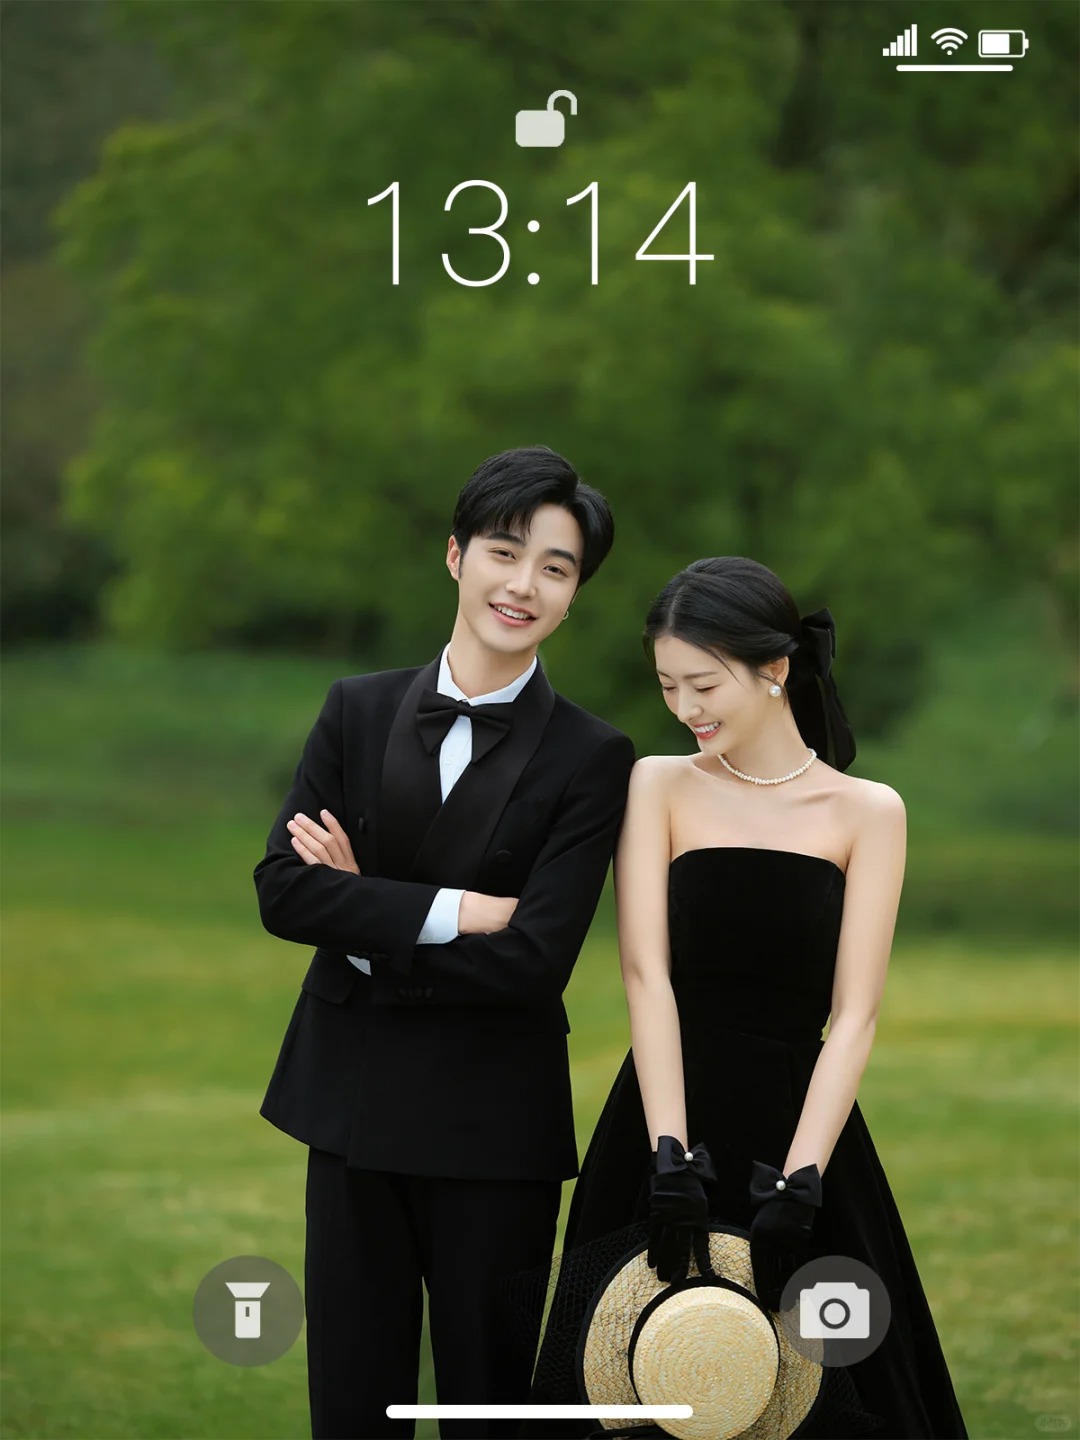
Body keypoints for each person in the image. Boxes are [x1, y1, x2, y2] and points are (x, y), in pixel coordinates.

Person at [523, 556, 968, 1439]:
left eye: (703, 684)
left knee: (824, 1393)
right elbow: (646, 976)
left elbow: (856, 1014)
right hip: (662, 1125)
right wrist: (669, 1154)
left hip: (800, 1132)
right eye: (668, 687)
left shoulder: (869, 811)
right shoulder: (657, 783)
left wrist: (801, 1181)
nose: (685, 708)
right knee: (627, 1380)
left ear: (775, 669)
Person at [253, 446, 635, 1440]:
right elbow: (284, 892)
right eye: (505, 552)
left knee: (489, 1407)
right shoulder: (357, 707)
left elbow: (534, 961)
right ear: (457, 555)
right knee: (352, 1404)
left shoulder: (596, 757)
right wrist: (456, 909)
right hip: (350, 1109)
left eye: (555, 568)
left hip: (493, 1129)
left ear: (574, 594)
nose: (525, 585)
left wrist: (361, 911)